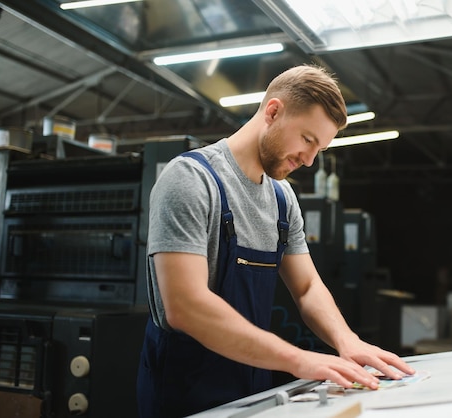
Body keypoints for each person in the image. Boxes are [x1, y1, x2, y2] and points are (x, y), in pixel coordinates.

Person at [136, 64, 415, 417]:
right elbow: (186, 307)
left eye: (320, 149)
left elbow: (307, 287)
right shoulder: (191, 180)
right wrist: (298, 359)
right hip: (185, 392)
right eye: (308, 140)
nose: (310, 160)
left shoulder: (283, 199)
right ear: (273, 112)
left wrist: (348, 341)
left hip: (252, 385)